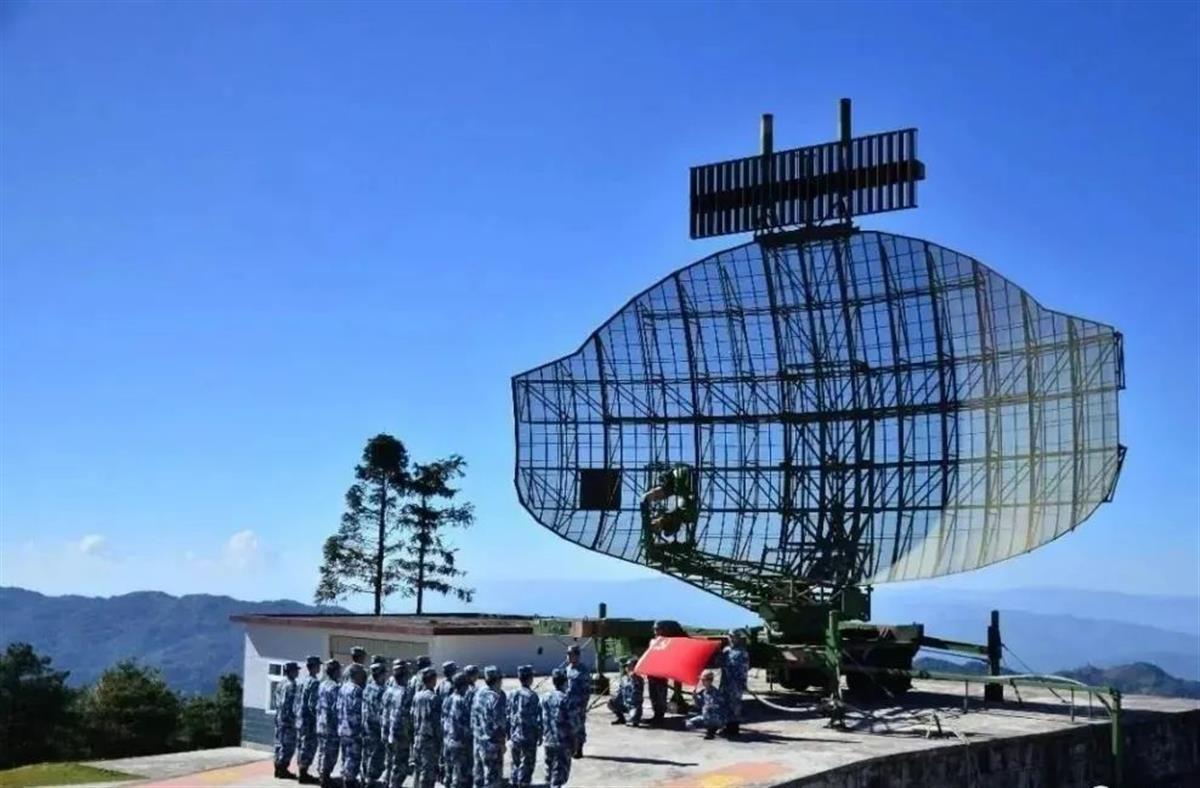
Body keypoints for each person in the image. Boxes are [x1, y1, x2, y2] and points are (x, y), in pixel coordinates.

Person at [470, 666, 507, 788]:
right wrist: (502, 744)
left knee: (479, 779)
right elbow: (499, 725)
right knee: (493, 780)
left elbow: (473, 718)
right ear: (497, 680)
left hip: (478, 742)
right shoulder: (496, 698)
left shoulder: (478, 693)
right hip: (492, 745)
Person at [640, 464, 698, 539]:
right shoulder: (678, 491)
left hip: (680, 482)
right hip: (681, 485)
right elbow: (647, 498)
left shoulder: (676, 487)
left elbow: (646, 498)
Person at [507, 665, 541, 788]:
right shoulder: (532, 696)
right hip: (528, 736)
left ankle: (515, 784)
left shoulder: (512, 694)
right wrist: (539, 734)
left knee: (515, 763)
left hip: (515, 734)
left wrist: (508, 733)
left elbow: (508, 714)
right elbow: (537, 718)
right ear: (529, 678)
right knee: (527, 764)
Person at [540, 669, 575, 788]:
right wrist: (574, 741)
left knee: (549, 774)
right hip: (562, 742)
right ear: (565, 682)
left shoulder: (545, 697)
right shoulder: (566, 699)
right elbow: (572, 723)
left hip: (548, 740)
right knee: (559, 776)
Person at [409, 667, 440, 788]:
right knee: (428, 775)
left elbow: (411, 716)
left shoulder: (417, 696)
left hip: (417, 739)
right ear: (432, 679)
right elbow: (437, 723)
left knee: (418, 770)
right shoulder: (434, 698)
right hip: (429, 741)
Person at [382, 660, 411, 788]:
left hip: (388, 732)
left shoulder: (388, 691)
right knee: (400, 767)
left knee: (389, 763)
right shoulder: (405, 692)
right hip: (400, 735)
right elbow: (406, 717)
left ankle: (387, 783)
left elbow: (383, 712)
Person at [441, 673, 473, 788]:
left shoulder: (447, 700)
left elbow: (443, 721)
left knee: (449, 775)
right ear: (463, 686)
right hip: (460, 745)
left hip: (448, 742)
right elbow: (465, 725)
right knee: (460, 778)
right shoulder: (461, 701)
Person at [339, 663, 368, 788]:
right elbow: (359, 711)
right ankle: (349, 782)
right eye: (362, 674)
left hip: (342, 727)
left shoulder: (343, 688)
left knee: (345, 756)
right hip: (353, 729)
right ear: (356, 674)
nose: (364, 677)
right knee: (353, 757)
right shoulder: (357, 690)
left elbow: (337, 707)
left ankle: (346, 778)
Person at [296, 656, 324, 784]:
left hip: (301, 718)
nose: (319, 667)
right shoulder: (314, 682)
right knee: (309, 745)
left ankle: (302, 771)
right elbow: (312, 704)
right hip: (309, 720)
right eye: (318, 665)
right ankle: (303, 773)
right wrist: (317, 718)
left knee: (302, 745)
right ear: (313, 667)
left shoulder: (304, 681)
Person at [316, 660, 342, 788]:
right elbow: (336, 708)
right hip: (330, 725)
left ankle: (322, 776)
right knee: (330, 753)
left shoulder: (322, 685)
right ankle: (325, 779)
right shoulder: (335, 687)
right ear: (335, 671)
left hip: (321, 723)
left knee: (322, 751)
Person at [719, 629, 750, 738]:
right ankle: (725, 726)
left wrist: (743, 683)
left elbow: (745, 669)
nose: (732, 638)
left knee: (735, 705)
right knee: (724, 704)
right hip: (726, 682)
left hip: (736, 683)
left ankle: (734, 728)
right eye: (731, 636)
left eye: (735, 636)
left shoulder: (742, 652)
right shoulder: (726, 651)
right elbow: (722, 667)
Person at [362, 662, 388, 787]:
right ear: (381, 675)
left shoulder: (368, 688)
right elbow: (381, 712)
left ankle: (365, 776)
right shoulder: (381, 690)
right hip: (375, 727)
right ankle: (370, 781)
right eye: (384, 674)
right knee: (375, 754)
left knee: (367, 752)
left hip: (366, 726)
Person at [274, 661, 301, 779]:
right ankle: (282, 770)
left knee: (279, 744)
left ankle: (278, 768)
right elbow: (288, 704)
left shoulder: (281, 683)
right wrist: (292, 719)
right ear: (291, 671)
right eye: (296, 670)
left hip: (279, 718)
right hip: (287, 720)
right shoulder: (291, 685)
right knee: (288, 745)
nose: (297, 672)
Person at [563, 646, 590, 758]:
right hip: (568, 703)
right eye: (568, 654)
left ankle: (579, 749)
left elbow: (586, 689)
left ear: (577, 655)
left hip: (578, 703)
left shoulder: (583, 670)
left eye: (571, 654)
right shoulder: (567, 669)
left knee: (579, 726)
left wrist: (584, 704)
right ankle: (571, 747)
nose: (568, 656)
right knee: (569, 726)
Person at [685, 670, 726, 740]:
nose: (703, 682)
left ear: (710, 681)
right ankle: (710, 729)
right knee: (689, 723)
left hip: (714, 716)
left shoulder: (715, 693)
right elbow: (699, 705)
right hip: (705, 716)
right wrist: (695, 697)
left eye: (704, 680)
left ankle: (712, 730)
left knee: (710, 717)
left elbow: (716, 707)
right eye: (702, 680)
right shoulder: (703, 692)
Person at [435, 662, 458, 782]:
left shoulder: (441, 685)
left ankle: (441, 773)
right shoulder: (453, 686)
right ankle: (449, 775)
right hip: (450, 721)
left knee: (442, 749)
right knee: (450, 749)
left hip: (442, 720)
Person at [606, 657, 644, 726]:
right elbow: (620, 692)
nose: (627, 668)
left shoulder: (638, 679)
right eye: (627, 666)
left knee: (633, 722)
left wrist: (633, 677)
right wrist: (616, 698)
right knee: (611, 703)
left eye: (630, 666)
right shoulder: (624, 679)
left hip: (633, 706)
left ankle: (634, 717)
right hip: (624, 704)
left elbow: (636, 695)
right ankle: (621, 718)